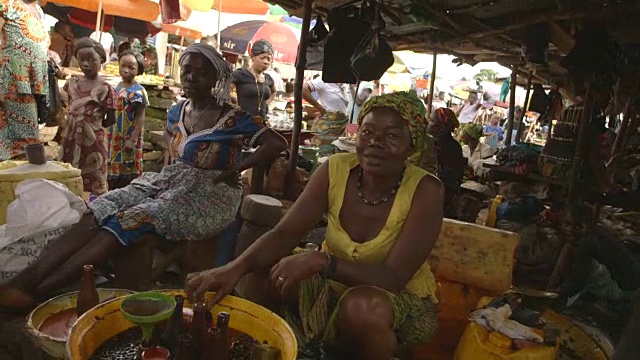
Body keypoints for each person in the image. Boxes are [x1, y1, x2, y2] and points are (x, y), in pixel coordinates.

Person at [0, 43, 288, 311]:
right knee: (101, 205)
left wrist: (235, 169)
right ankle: (27, 278)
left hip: (211, 196)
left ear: (217, 78)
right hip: (174, 182)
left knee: (131, 218)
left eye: (201, 73)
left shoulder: (234, 117)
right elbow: (175, 150)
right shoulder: (177, 111)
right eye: (186, 70)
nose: (191, 78)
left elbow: (277, 143)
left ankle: (39, 292)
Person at [185, 92, 443, 360]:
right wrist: (232, 268)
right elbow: (285, 233)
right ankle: (276, 350)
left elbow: (392, 278)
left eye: (392, 136)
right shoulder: (336, 169)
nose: (375, 143)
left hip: (393, 301)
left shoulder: (426, 190)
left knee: (362, 309)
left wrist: (322, 262)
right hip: (329, 287)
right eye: (367, 132)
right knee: (261, 272)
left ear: (412, 146)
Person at [60, 38, 116, 196]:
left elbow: (110, 118)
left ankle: (93, 207)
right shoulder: (72, 84)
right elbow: (68, 103)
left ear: (101, 60)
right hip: (71, 137)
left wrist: (90, 125)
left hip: (93, 139)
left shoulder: (105, 88)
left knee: (95, 172)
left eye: (92, 60)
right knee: (69, 171)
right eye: (82, 60)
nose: (86, 64)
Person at [0, 0, 49, 160]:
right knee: (22, 136)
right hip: (12, 77)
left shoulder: (39, 11)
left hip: (33, 80)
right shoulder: (8, 5)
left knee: (24, 133)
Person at [107, 50, 148, 189]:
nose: (126, 70)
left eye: (131, 67)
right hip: (114, 135)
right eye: (123, 66)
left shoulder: (139, 91)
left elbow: (141, 116)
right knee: (113, 169)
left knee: (128, 173)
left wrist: (133, 139)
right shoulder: (117, 87)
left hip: (129, 136)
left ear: (138, 70)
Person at [427, 108, 466, 218]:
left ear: (440, 127)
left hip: (440, 199)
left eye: (431, 121)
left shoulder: (433, 146)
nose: (427, 123)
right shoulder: (455, 146)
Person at [302, 76, 350, 155]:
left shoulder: (344, 85)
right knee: (323, 154)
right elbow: (303, 89)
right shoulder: (323, 81)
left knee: (336, 154)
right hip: (326, 128)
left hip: (340, 127)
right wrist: (319, 107)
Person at [232, 39, 276, 119]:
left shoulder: (268, 78)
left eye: (269, 59)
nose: (266, 62)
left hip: (261, 123)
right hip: (242, 121)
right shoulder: (240, 74)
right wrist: (234, 104)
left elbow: (274, 92)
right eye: (262, 58)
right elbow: (225, 87)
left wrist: (267, 103)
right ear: (252, 57)